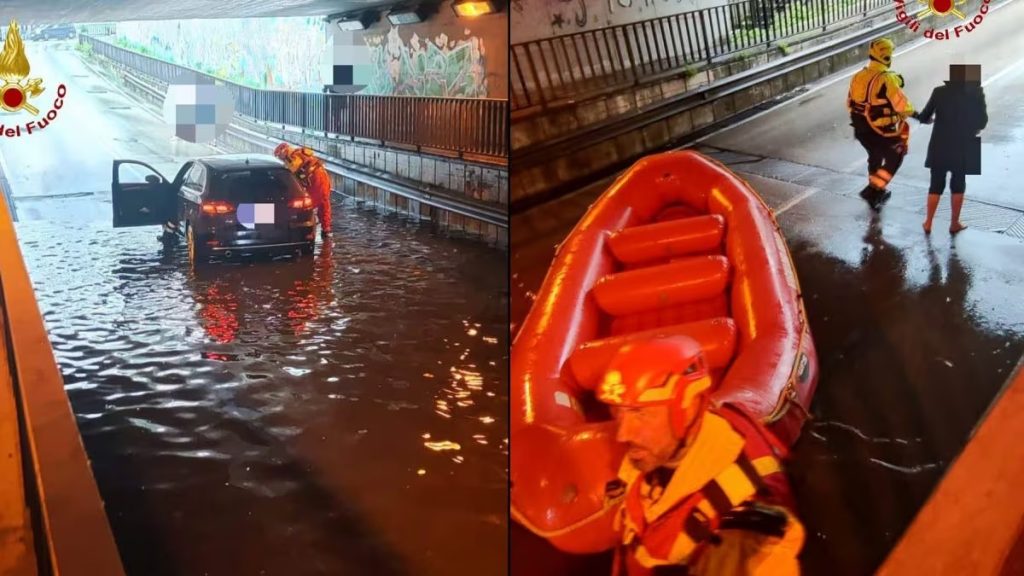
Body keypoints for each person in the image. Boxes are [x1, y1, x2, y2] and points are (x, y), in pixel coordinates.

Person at [596, 336, 804, 576]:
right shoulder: (660, 450)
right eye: (618, 414)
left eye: (640, 414)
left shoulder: (746, 535)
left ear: (690, 407)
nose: (622, 434)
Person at [914, 64, 988, 235]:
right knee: (958, 184)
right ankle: (954, 223)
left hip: (940, 142)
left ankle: (928, 222)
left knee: (935, 184)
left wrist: (929, 119)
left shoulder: (939, 91)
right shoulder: (977, 92)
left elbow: (924, 116)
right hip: (965, 143)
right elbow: (983, 120)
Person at [847, 38, 917, 211]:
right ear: (887, 56)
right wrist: (918, 115)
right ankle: (873, 189)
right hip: (879, 130)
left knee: (875, 156)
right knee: (896, 155)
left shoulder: (858, 76)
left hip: (861, 129)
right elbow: (901, 105)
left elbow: (849, 101)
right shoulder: (887, 79)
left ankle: (878, 191)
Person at [273, 142, 333, 239]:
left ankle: (311, 232)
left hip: (316, 180)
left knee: (310, 206)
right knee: (323, 203)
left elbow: (294, 174)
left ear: (284, 151)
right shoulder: (298, 153)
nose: (280, 159)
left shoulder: (293, 158)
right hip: (319, 177)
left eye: (280, 156)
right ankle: (326, 230)